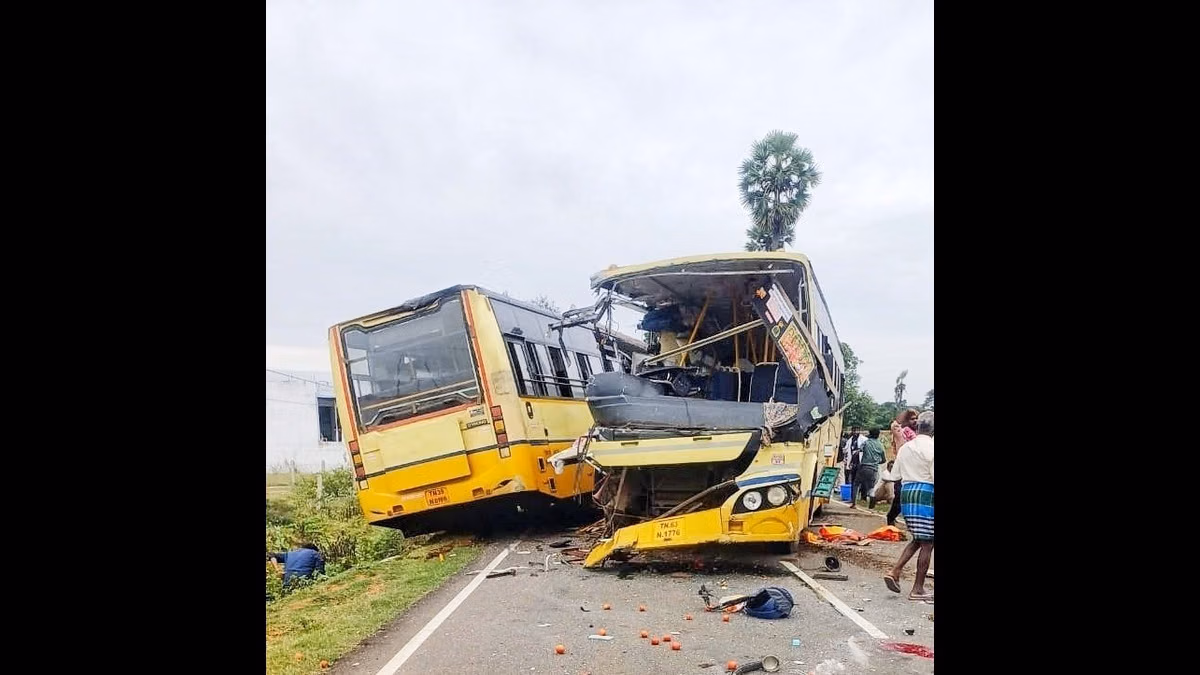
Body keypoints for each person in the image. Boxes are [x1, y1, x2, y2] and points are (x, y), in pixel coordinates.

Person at [883, 411, 934, 601]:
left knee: (919, 539)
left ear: (918, 427)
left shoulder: (905, 448)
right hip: (926, 494)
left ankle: (894, 572)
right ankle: (917, 589)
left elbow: (894, 476)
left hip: (907, 493)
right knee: (928, 543)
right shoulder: (932, 448)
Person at [886, 410, 918, 524]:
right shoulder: (902, 432)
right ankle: (891, 517)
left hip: (915, 468)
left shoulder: (918, 433)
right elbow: (895, 425)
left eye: (916, 418)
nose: (915, 421)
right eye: (912, 419)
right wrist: (905, 414)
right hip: (903, 467)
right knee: (900, 495)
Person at [849, 429, 885, 509]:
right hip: (873, 469)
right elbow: (883, 460)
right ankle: (872, 496)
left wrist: (852, 462)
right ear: (878, 435)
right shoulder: (880, 445)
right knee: (871, 486)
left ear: (870, 434)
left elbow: (857, 451)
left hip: (863, 467)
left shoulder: (866, 442)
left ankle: (854, 503)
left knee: (856, 484)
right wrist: (876, 461)